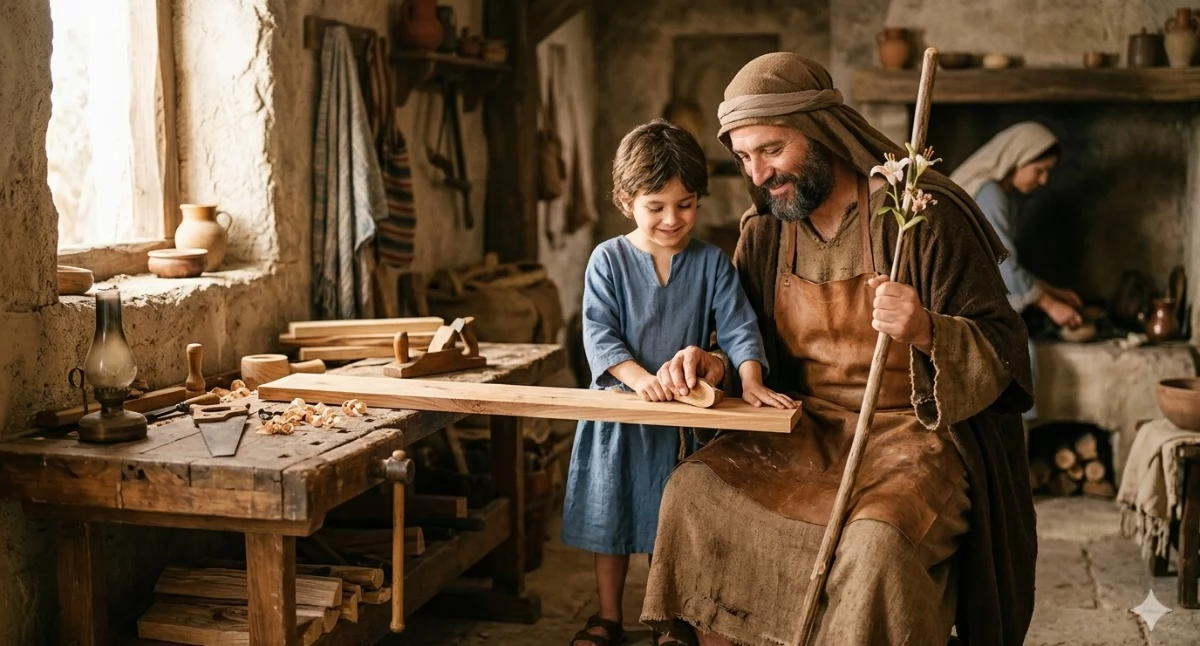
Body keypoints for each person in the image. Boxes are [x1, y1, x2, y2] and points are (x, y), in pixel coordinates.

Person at [640, 53, 1037, 646]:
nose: (758, 174)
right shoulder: (767, 231)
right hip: (803, 428)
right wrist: (713, 362)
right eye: (744, 157)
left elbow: (1006, 349)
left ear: (821, 131)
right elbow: (746, 340)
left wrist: (926, 328)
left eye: (772, 150)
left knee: (875, 544)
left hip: (913, 437)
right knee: (692, 495)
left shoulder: (918, 217)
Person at [563, 119, 794, 646]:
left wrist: (752, 380)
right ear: (626, 200)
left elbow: (738, 326)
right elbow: (598, 335)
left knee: (668, 520)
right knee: (612, 519)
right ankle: (607, 617)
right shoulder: (608, 260)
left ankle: (666, 619)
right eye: (656, 206)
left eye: (686, 204)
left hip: (681, 420)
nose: (673, 219)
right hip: (619, 415)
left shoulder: (712, 262)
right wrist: (641, 380)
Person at [949, 122, 1082, 330]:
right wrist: (1051, 306)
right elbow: (1003, 266)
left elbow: (1006, 260)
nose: (1044, 180)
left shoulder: (999, 194)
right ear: (1016, 160)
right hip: (958, 306)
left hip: (970, 301)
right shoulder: (988, 194)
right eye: (1039, 170)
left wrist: (1053, 292)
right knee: (1020, 351)